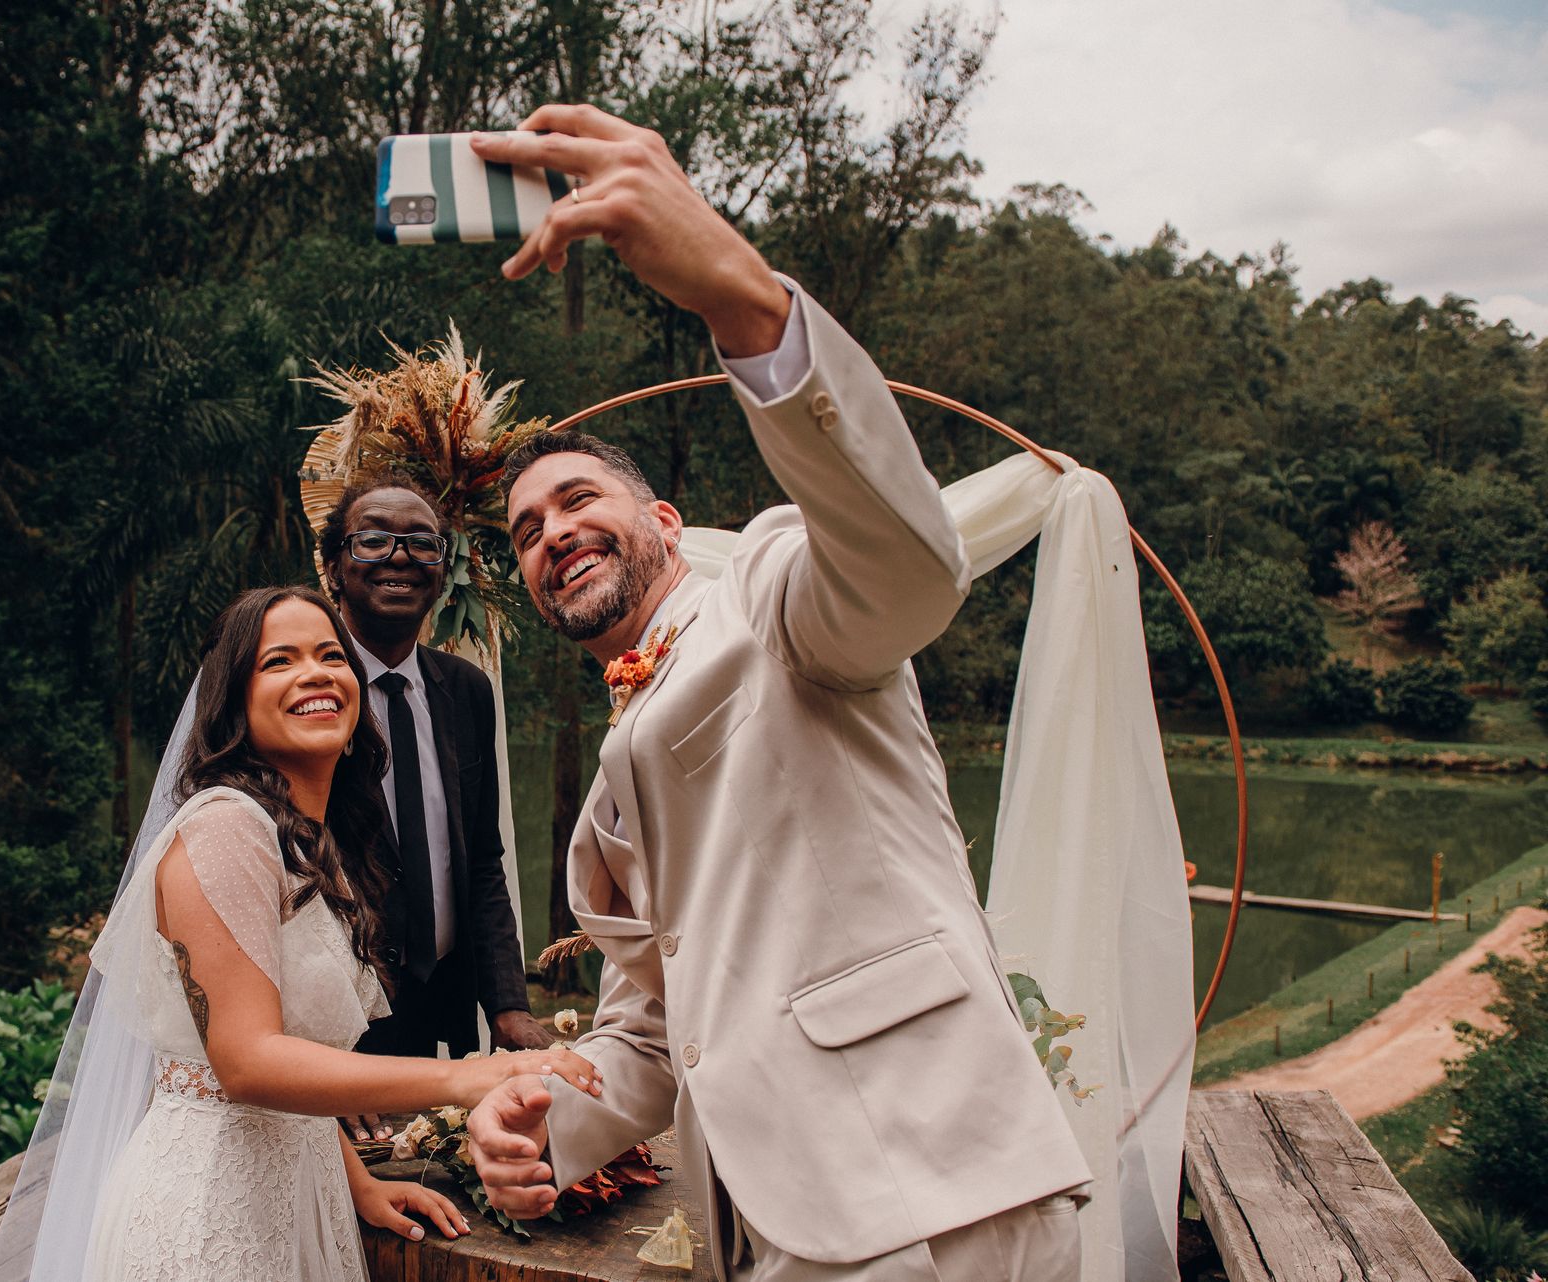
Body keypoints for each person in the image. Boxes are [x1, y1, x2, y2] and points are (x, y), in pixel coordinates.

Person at [464, 106, 1094, 1281]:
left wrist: (743, 303)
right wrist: (547, 1119)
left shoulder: (770, 596)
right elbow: (658, 1027)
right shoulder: (613, 778)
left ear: (663, 523)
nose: (552, 533)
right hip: (765, 1229)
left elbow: (908, 566)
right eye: (527, 531)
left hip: (933, 1202)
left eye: (578, 500)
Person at [65, 585, 602, 1281]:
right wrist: (473, 1075)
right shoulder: (226, 829)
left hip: (298, 1195)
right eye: (278, 661)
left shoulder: (307, 843)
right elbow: (247, 1062)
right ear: (232, 702)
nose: (314, 673)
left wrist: (359, 1185)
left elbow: (297, 1053)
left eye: (329, 655)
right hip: (210, 1219)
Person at [315, 478, 552, 1078]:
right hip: (331, 1026)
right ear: (333, 567)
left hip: (439, 1012)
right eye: (373, 540)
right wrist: (319, 1056)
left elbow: (481, 860)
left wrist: (508, 1004)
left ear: (444, 572)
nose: (400, 556)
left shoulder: (467, 691)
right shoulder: (306, 690)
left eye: (423, 544)